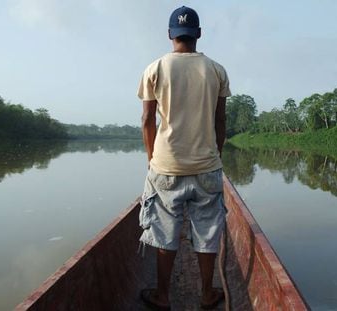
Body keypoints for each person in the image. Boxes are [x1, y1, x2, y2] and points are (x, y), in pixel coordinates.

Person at [137, 6, 231, 310]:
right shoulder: (216, 70)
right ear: (198, 34)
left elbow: (147, 120)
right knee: (207, 233)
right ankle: (207, 294)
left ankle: (162, 296)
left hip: (166, 166)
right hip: (207, 167)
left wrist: (153, 158)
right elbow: (220, 122)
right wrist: (215, 155)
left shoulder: (155, 68)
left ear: (169, 35)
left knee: (165, 233)